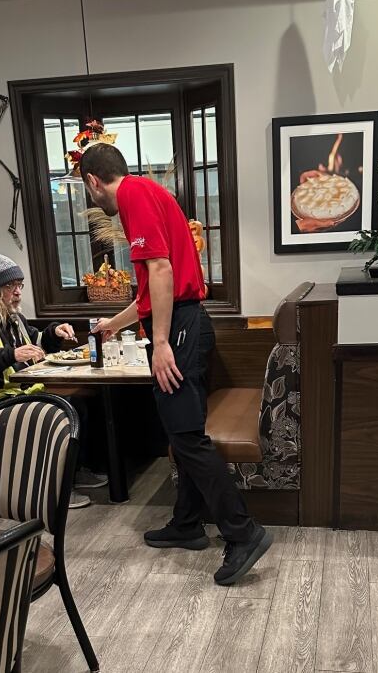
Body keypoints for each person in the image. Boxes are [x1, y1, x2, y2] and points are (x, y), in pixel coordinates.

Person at [80, 144, 272, 586]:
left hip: (181, 327)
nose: (92, 200)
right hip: (183, 322)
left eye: (87, 190)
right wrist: (116, 323)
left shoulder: (131, 196)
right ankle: (187, 523)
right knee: (181, 432)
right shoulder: (147, 194)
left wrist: (161, 341)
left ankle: (243, 534)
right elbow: (151, 292)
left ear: (93, 181)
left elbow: (163, 271)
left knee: (186, 438)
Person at [0, 251, 108, 508]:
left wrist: (53, 332)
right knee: (57, 414)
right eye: (10, 286)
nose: (18, 292)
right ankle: (56, 491)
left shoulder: (11, 316)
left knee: (78, 405)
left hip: (15, 396)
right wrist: (10, 354)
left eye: (19, 285)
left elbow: (33, 342)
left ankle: (73, 473)